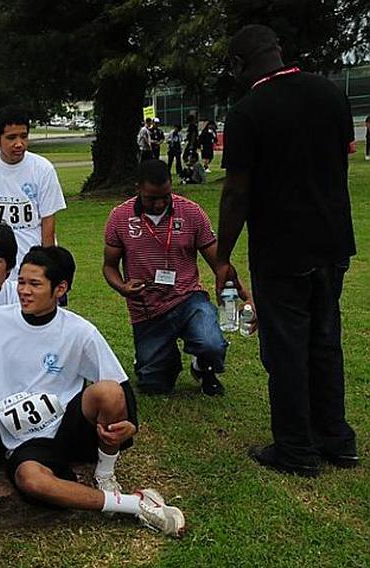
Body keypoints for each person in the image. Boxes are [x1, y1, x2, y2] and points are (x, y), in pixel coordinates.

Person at [217, 24, 358, 477]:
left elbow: (237, 192)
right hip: (333, 242)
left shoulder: (247, 113)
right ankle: (336, 439)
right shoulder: (330, 94)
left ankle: (296, 449)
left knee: (286, 348)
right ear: (279, 50)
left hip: (282, 251)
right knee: (325, 340)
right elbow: (340, 159)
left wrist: (223, 256)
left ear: (240, 65)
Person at [0, 246, 185, 538]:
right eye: (21, 281)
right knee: (31, 481)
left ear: (60, 288)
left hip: (69, 424)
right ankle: (134, 505)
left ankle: (106, 474)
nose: (24, 291)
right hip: (21, 437)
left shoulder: (79, 330)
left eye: (35, 284)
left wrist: (129, 425)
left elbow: (118, 383)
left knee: (107, 392)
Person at [103, 160, 239, 396]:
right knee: (153, 386)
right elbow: (109, 267)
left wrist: (243, 295)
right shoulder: (120, 217)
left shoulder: (191, 212)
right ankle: (158, 361)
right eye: (151, 198)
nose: (159, 204)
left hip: (187, 299)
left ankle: (203, 367)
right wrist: (122, 287)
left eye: (165, 196)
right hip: (147, 308)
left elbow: (220, 262)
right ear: (138, 189)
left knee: (211, 344)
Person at [0, 105, 66, 278]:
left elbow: (48, 221)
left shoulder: (43, 168)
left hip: (33, 260)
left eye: (24, 136)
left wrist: (48, 266)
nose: (19, 144)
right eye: (11, 138)